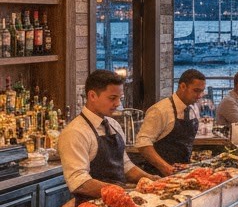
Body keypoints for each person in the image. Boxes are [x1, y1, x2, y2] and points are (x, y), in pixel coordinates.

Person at [57, 69, 147, 200]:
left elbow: (125, 165)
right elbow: (79, 183)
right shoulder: (75, 132)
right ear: (92, 96)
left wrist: (152, 180)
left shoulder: (113, 124)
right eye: (112, 98)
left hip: (120, 200)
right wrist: (120, 192)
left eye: (120, 99)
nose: (118, 104)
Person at [133, 68, 206, 177]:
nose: (200, 96)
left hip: (182, 171)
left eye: (202, 91)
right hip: (158, 174)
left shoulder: (194, 107)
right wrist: (164, 167)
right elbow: (143, 143)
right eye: (196, 91)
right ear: (182, 86)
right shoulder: (160, 110)